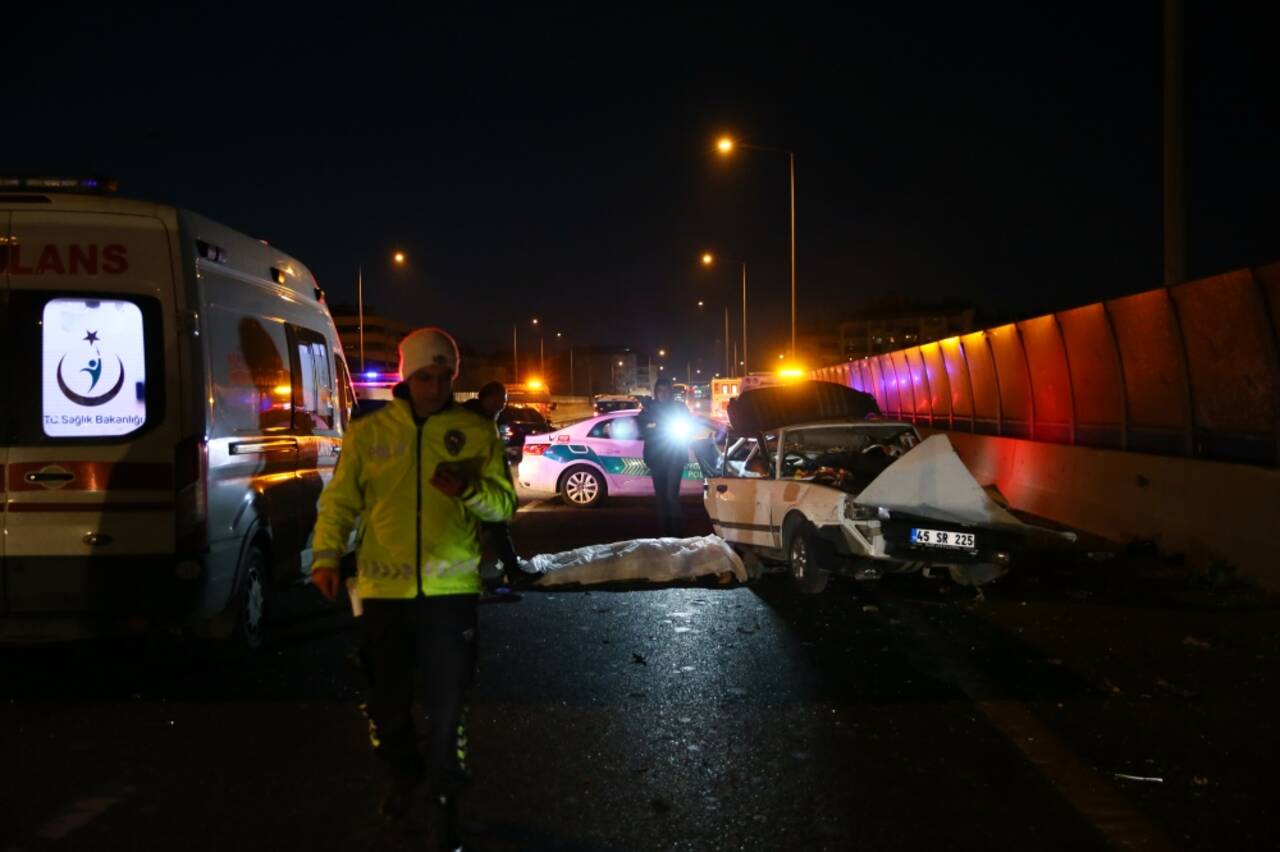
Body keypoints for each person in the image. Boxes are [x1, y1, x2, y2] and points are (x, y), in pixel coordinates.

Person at [310, 327, 517, 849]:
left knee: (449, 704)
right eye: (425, 375)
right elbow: (341, 500)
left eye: (444, 376)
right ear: (407, 375)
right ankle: (404, 774)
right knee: (386, 703)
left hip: (451, 594)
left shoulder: (476, 432)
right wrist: (327, 555)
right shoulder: (371, 431)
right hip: (384, 592)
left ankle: (445, 796)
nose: (435, 385)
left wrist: (469, 488)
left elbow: (504, 506)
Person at [462, 381, 524, 585]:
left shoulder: (490, 418)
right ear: (488, 398)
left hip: (486, 487)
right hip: (472, 486)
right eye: (501, 398)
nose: (504, 402)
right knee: (478, 534)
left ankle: (511, 571)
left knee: (497, 530)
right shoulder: (471, 419)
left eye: (505, 398)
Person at [638, 376, 692, 537]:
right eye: (660, 390)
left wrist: (657, 426)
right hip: (656, 459)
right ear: (656, 392)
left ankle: (676, 536)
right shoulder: (648, 408)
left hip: (675, 457)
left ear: (671, 392)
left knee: (671, 496)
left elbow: (687, 427)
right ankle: (665, 536)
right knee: (661, 498)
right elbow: (643, 428)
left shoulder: (680, 408)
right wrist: (655, 426)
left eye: (666, 390)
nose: (663, 393)